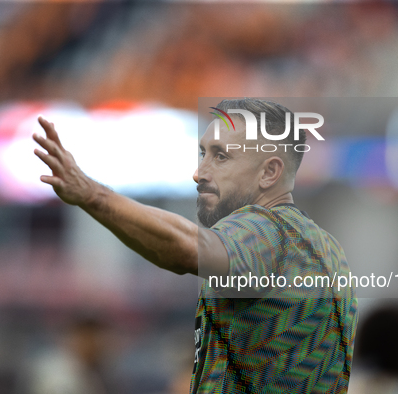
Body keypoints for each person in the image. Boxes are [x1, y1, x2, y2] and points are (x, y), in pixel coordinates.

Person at [33, 98, 357, 393]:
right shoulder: (328, 249)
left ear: (269, 171)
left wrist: (94, 195)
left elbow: (189, 246)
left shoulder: (264, 229)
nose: (198, 174)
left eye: (221, 157)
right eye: (203, 154)